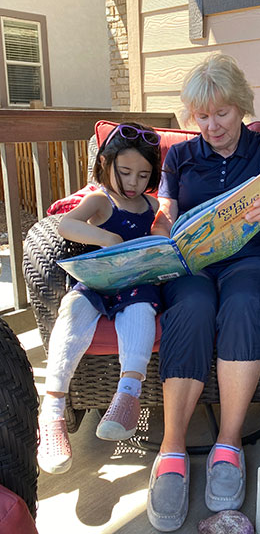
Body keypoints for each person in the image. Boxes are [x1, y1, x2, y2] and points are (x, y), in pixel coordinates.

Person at [147, 54, 260, 531]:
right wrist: (161, 228)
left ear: (241, 106)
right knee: (192, 307)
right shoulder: (180, 156)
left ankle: (229, 442)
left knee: (246, 304)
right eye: (201, 116)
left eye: (221, 113)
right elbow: (165, 210)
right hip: (195, 264)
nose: (212, 125)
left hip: (252, 262)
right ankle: (171, 446)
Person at [37, 123, 163, 475]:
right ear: (105, 164)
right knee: (73, 308)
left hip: (138, 284)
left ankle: (127, 397)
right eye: (124, 172)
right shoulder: (99, 199)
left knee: (140, 310)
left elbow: (165, 232)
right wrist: (104, 236)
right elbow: (66, 225)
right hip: (98, 283)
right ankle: (53, 411)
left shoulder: (152, 204)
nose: (133, 182)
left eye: (143, 174)